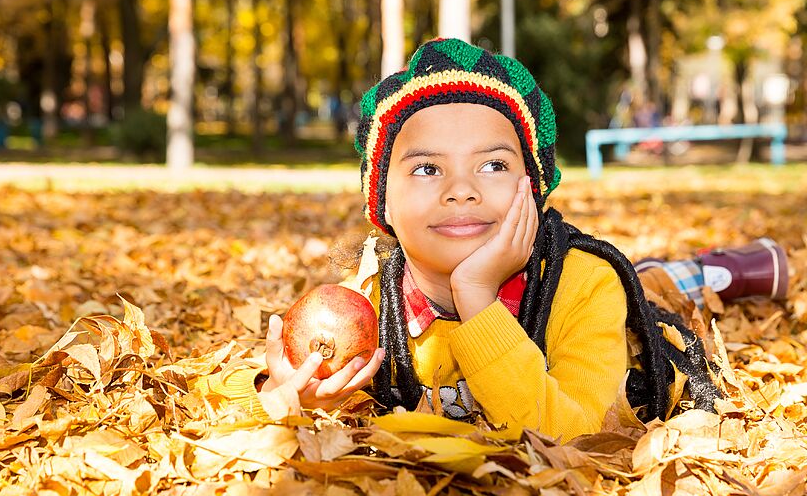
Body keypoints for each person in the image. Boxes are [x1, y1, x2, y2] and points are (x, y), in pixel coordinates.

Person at [244, 38, 789, 443]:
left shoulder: (586, 286)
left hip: (591, 301)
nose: (461, 190)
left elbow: (571, 437)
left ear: (533, 187)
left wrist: (477, 297)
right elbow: (279, 402)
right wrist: (294, 397)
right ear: (382, 203)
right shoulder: (366, 301)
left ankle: (725, 269)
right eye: (427, 169)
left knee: (654, 292)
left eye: (493, 164)